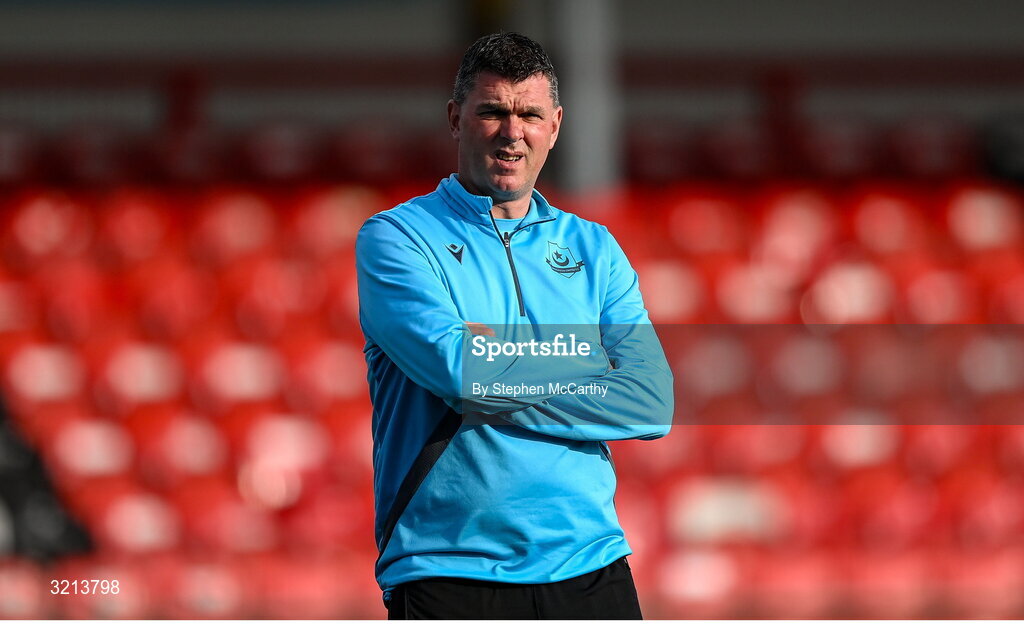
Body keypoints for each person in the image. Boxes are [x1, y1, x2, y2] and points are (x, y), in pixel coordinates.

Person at [356, 32, 673, 620]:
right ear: (456, 119)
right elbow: (460, 371)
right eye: (493, 111)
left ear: (554, 126)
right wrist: (587, 360)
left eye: (529, 114)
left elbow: (651, 403)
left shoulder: (595, 247)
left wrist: (495, 365)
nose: (512, 132)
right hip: (449, 566)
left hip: (592, 564)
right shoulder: (397, 238)